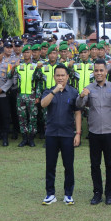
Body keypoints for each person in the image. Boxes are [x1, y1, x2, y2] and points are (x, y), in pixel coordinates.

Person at [75, 59, 111, 205]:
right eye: (96, 70)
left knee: (110, 165)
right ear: (93, 72)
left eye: (101, 70)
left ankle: (109, 194)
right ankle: (97, 193)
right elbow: (79, 105)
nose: (99, 73)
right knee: (95, 164)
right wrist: (81, 96)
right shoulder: (89, 88)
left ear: (106, 71)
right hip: (94, 132)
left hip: (109, 132)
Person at [40, 64, 81, 205]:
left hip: (68, 134)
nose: (60, 78)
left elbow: (77, 113)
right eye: (57, 75)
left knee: (68, 166)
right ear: (54, 77)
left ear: (67, 77)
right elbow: (43, 104)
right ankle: (50, 194)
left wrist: (78, 133)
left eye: (63, 75)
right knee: (50, 165)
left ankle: (68, 194)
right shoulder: (48, 91)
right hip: (51, 134)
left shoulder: (73, 92)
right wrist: (55, 91)